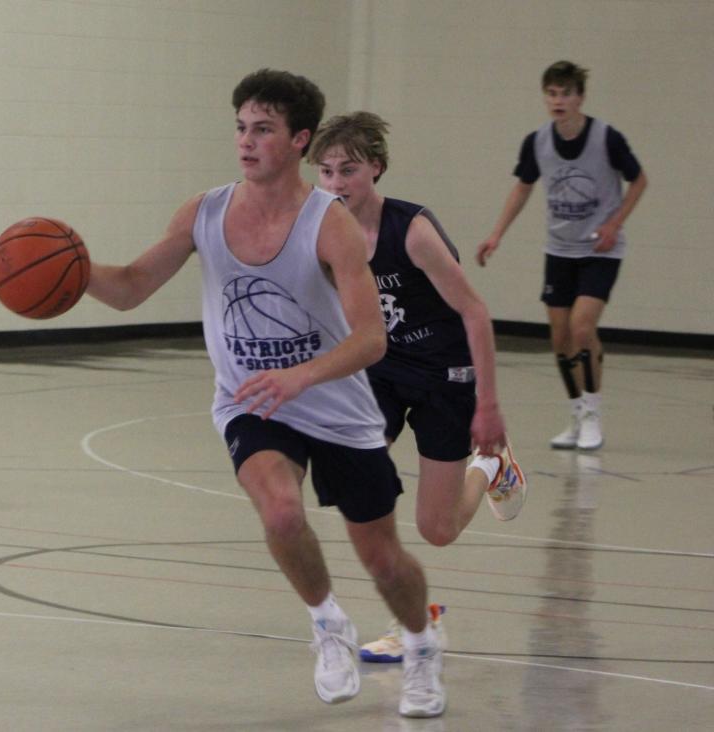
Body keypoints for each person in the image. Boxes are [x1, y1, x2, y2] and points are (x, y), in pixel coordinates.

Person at [85, 69, 445, 718]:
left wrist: (302, 375)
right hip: (250, 400)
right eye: (240, 128)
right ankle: (327, 623)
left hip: (336, 406)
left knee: (385, 560)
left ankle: (421, 644)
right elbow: (132, 286)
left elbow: (371, 340)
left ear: (298, 139)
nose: (246, 142)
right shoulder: (205, 212)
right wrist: (77, 270)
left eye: (263, 130)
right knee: (280, 512)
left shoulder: (327, 223)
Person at [309, 112, 526, 664]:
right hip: (381, 365)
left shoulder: (412, 231)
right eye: (327, 171)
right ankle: (414, 618)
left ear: (376, 169)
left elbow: (475, 312)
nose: (336, 183)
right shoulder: (320, 229)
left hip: (444, 372)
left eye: (349, 170)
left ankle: (491, 468)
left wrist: (488, 403)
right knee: (360, 487)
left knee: (439, 529)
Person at [477, 60, 647, 451]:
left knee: (582, 328)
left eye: (566, 93)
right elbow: (522, 188)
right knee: (558, 337)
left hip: (600, 249)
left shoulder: (607, 138)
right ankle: (575, 412)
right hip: (559, 250)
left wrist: (614, 223)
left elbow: (639, 180)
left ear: (580, 97)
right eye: (552, 93)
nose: (558, 100)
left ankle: (592, 413)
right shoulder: (536, 142)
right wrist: (496, 234)